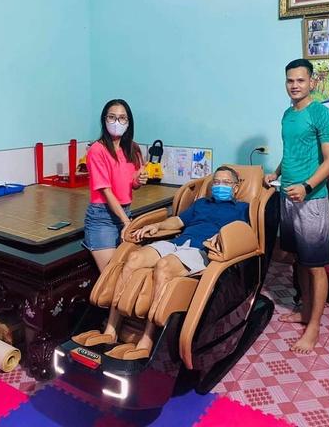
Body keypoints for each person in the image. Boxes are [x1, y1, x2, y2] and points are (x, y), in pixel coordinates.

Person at [73, 166, 249, 360]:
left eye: (226, 182)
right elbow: (178, 222)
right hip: (178, 243)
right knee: (133, 258)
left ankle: (147, 340)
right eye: (216, 182)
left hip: (203, 251)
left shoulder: (242, 209)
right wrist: (157, 226)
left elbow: (242, 234)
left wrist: (222, 236)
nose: (220, 186)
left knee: (163, 266)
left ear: (235, 188)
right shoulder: (201, 204)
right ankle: (111, 330)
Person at [265, 58, 329, 354]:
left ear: (311, 82)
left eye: (300, 80)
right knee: (299, 260)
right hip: (288, 196)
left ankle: (314, 327)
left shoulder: (322, 114)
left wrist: (306, 186)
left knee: (316, 266)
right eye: (290, 80)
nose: (294, 85)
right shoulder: (287, 114)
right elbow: (291, 152)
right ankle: (305, 310)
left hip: (312, 200)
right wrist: (277, 173)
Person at [82, 99, 148, 273]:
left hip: (125, 212)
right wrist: (126, 222)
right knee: (112, 277)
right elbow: (106, 191)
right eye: (112, 117)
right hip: (102, 217)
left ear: (128, 122)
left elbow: (132, 185)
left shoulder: (133, 148)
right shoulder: (97, 150)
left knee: (129, 272)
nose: (117, 122)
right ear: (104, 120)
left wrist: (138, 180)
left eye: (122, 118)